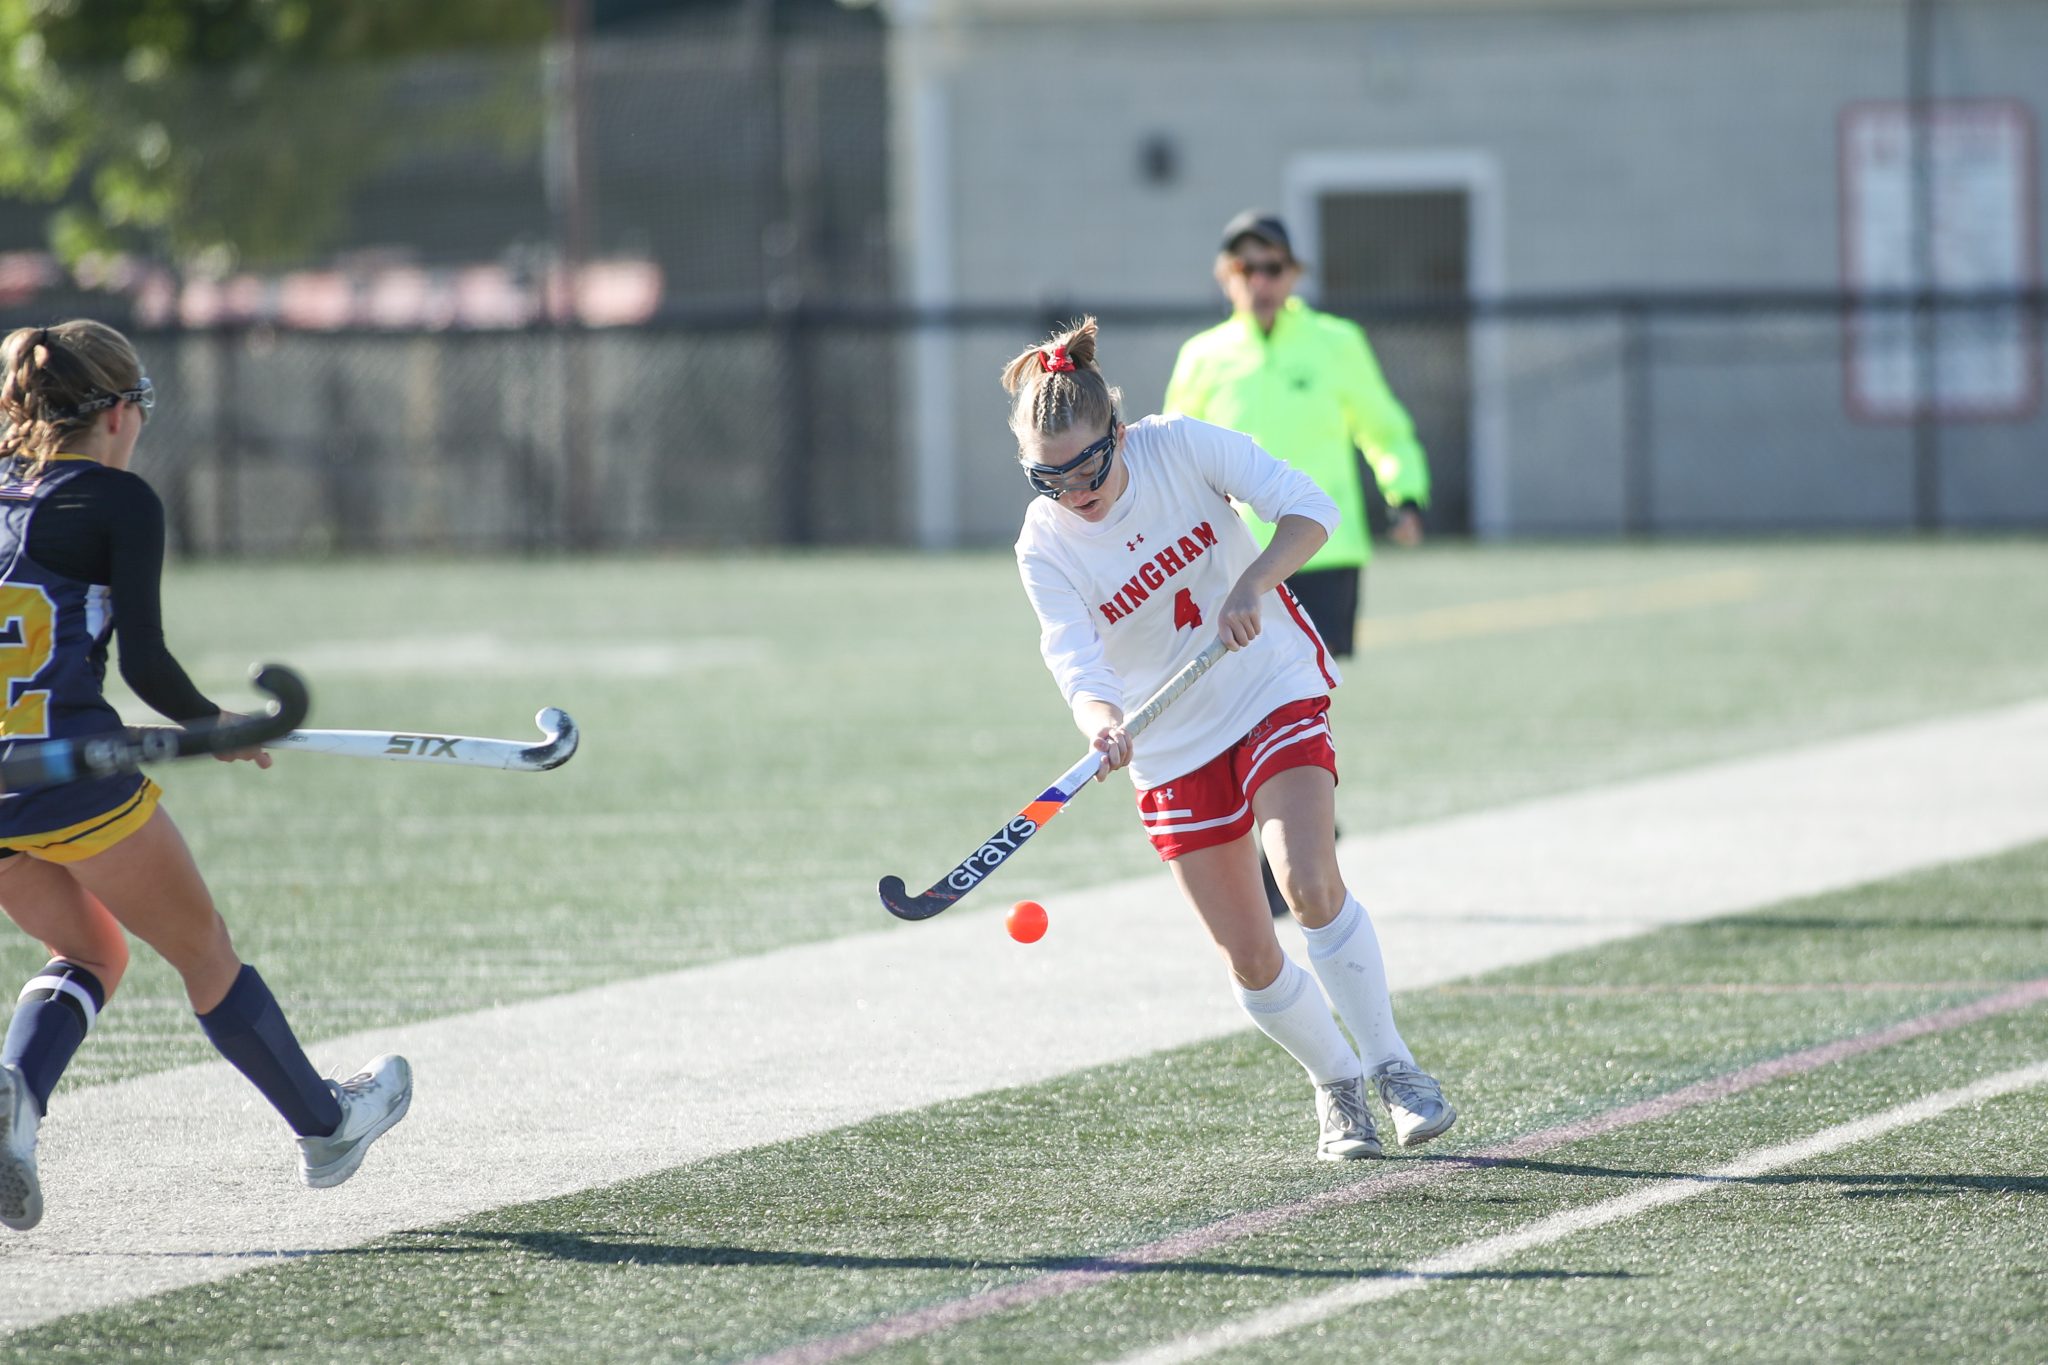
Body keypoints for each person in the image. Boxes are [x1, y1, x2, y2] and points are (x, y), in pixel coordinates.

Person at [1005, 316, 1454, 1161]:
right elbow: (1072, 653)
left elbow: (1310, 508)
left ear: (1120, 433)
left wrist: (1254, 581)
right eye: (1047, 477)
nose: (1073, 492)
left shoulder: (1181, 448)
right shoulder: (1044, 541)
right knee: (1250, 954)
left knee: (1309, 881)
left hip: (1265, 683)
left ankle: (1395, 1068)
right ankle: (1337, 1085)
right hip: (1169, 740)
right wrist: (1100, 723)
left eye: (1088, 467)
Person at [0, 321, 409, 1233]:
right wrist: (209, 724)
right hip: (75, 787)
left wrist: (204, 728)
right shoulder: (119, 501)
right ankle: (328, 1126)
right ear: (116, 414)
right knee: (205, 952)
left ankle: (16, 1098)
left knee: (93, 953)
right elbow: (142, 660)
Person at [1164, 210, 1431, 914]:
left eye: (1273, 267)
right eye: (1245, 268)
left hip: (1322, 551)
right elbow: (1172, 455)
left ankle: (1300, 823)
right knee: (1246, 688)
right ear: (1227, 278)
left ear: (1295, 275)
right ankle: (1283, 837)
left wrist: (1404, 488)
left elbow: (1382, 424)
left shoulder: (1337, 343)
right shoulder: (1202, 357)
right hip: (1233, 559)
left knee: (1300, 693)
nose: (1260, 281)